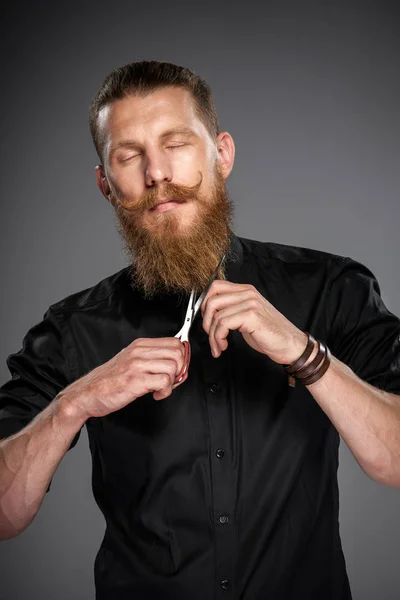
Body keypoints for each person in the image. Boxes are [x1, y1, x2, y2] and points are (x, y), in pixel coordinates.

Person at [1, 60, 400, 600]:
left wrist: (306, 354)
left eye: (176, 143)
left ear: (222, 154)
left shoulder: (331, 287)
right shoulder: (73, 329)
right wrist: (75, 403)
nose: (157, 173)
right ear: (105, 184)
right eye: (129, 155)